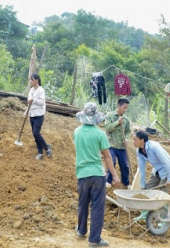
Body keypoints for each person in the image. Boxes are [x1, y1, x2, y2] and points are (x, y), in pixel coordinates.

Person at [73, 102, 120, 247]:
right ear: (96, 118)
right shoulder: (100, 134)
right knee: (97, 207)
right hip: (97, 175)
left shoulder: (77, 132)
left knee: (82, 203)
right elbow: (107, 156)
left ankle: (81, 230)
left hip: (82, 174)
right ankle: (94, 239)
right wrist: (115, 175)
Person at [132, 130, 170, 222]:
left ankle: (164, 218)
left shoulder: (154, 147)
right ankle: (145, 214)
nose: (133, 142)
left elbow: (166, 163)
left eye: (135, 140)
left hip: (167, 170)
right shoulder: (139, 151)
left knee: (162, 196)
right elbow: (142, 169)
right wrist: (143, 186)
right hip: (156, 171)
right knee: (147, 192)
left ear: (142, 140)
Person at [104, 98, 131, 189]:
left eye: (126, 108)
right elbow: (107, 128)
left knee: (124, 165)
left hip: (122, 147)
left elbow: (128, 131)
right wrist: (117, 123)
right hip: (111, 145)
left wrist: (127, 139)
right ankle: (108, 181)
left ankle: (126, 183)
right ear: (119, 106)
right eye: (124, 107)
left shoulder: (126, 120)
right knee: (112, 162)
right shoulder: (110, 116)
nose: (125, 110)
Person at [27, 73, 52, 160]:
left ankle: (47, 148)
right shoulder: (31, 90)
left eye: (32, 80)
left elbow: (42, 102)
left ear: (37, 80)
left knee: (36, 133)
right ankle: (40, 152)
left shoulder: (41, 90)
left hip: (39, 114)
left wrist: (33, 100)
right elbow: (28, 101)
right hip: (32, 114)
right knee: (35, 134)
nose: (30, 81)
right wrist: (26, 112)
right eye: (30, 79)